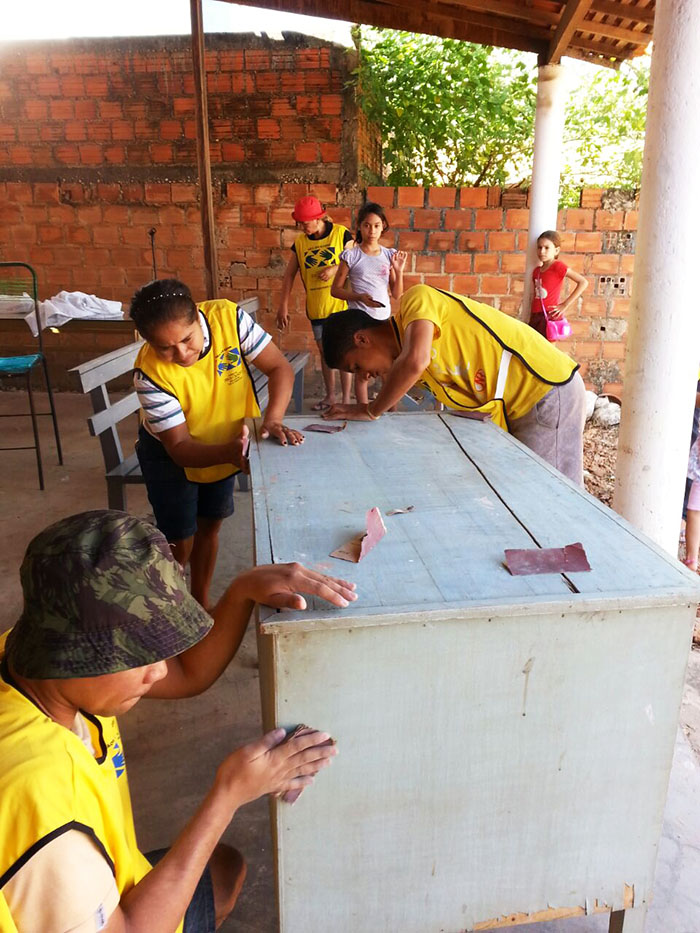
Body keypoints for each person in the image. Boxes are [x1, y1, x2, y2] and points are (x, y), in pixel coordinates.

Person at [0, 509, 356, 933]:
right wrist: (228, 794)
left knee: (222, 871)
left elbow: (189, 674)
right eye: (141, 657)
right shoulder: (39, 802)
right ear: (77, 658)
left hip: (102, 879)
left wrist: (242, 590)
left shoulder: (29, 658)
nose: (161, 671)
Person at [132, 278, 303, 609]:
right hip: (172, 456)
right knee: (179, 539)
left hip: (227, 442)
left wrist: (273, 420)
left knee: (210, 526)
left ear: (198, 316)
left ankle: (200, 601)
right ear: (147, 342)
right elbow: (179, 448)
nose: (181, 354)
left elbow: (279, 368)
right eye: (164, 347)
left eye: (186, 339)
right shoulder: (149, 374)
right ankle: (176, 611)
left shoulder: (229, 319)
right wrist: (232, 453)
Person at [322, 283, 587, 485]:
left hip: (544, 390)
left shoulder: (417, 299)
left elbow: (415, 361)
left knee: (548, 496)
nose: (364, 376)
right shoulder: (419, 368)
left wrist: (369, 410)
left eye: (356, 367)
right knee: (517, 489)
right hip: (516, 407)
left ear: (362, 340)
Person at [276, 195, 354, 411]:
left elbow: (357, 259)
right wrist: (283, 305)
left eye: (305, 222)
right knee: (326, 354)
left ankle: (346, 400)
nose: (302, 227)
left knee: (344, 353)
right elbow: (289, 276)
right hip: (317, 309)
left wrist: (336, 267)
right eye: (299, 223)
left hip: (341, 308)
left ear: (318, 218)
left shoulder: (341, 234)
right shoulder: (300, 244)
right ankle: (330, 397)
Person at [330, 201, 408, 404]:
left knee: (388, 370)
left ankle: (391, 413)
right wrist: (359, 297)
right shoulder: (351, 255)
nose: (371, 230)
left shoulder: (389, 255)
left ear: (383, 226)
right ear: (359, 226)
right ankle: (363, 408)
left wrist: (398, 272)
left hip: (383, 322)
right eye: (366, 225)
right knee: (363, 373)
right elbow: (335, 290)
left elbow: (397, 294)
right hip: (361, 322)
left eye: (376, 225)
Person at [528, 230, 588, 340]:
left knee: (548, 351)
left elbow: (583, 282)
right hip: (535, 316)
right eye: (539, 247)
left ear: (556, 250)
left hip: (550, 316)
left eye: (547, 248)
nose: (542, 251)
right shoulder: (536, 271)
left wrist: (565, 304)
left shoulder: (558, 266)